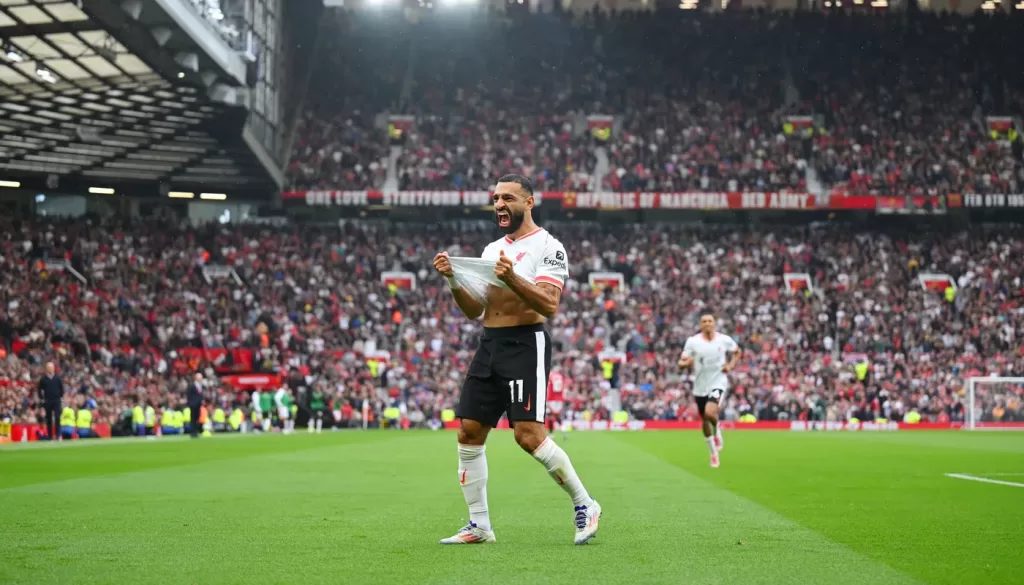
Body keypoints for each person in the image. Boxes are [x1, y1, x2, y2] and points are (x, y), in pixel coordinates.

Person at [432, 174, 601, 546]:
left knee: (528, 436)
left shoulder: (549, 246)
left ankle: (585, 503)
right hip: (489, 343)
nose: (499, 204)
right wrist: (454, 281)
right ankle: (480, 526)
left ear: (529, 202)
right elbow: (474, 310)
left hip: (526, 343)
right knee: (469, 432)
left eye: (508, 197)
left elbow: (549, 305)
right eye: (495, 198)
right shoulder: (491, 250)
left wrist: (512, 278)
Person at [678, 311, 741, 469]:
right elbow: (682, 362)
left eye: (710, 321)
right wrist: (686, 363)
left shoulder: (723, 340)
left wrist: (730, 365)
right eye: (704, 321)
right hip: (700, 386)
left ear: (714, 323)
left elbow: (737, 352)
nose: (707, 324)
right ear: (700, 325)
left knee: (710, 412)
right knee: (705, 420)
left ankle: (717, 429)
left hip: (718, 382)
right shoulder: (693, 342)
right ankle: (713, 453)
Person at [37, 362, 64, 440]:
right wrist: (42, 399)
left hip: (56, 400)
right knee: (48, 418)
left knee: (57, 417)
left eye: (52, 367)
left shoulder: (57, 378)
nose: (50, 369)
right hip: (48, 400)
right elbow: (39, 389)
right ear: (46, 369)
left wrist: (61, 397)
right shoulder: (43, 379)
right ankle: (50, 435)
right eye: (49, 367)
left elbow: (61, 388)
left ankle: (58, 435)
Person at [546, 368, 568, 442]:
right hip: (559, 399)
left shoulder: (550, 376)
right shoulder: (560, 376)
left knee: (550, 416)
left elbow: (548, 388)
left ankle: (551, 434)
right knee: (557, 416)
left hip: (552, 399)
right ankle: (564, 430)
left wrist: (547, 399)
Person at [187, 373, 204, 439]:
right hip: (193, 404)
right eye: (200, 378)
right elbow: (189, 395)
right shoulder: (192, 386)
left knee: (197, 418)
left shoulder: (200, 386)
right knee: (193, 419)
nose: (201, 379)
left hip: (198, 405)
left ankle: (196, 431)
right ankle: (193, 432)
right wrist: (191, 403)